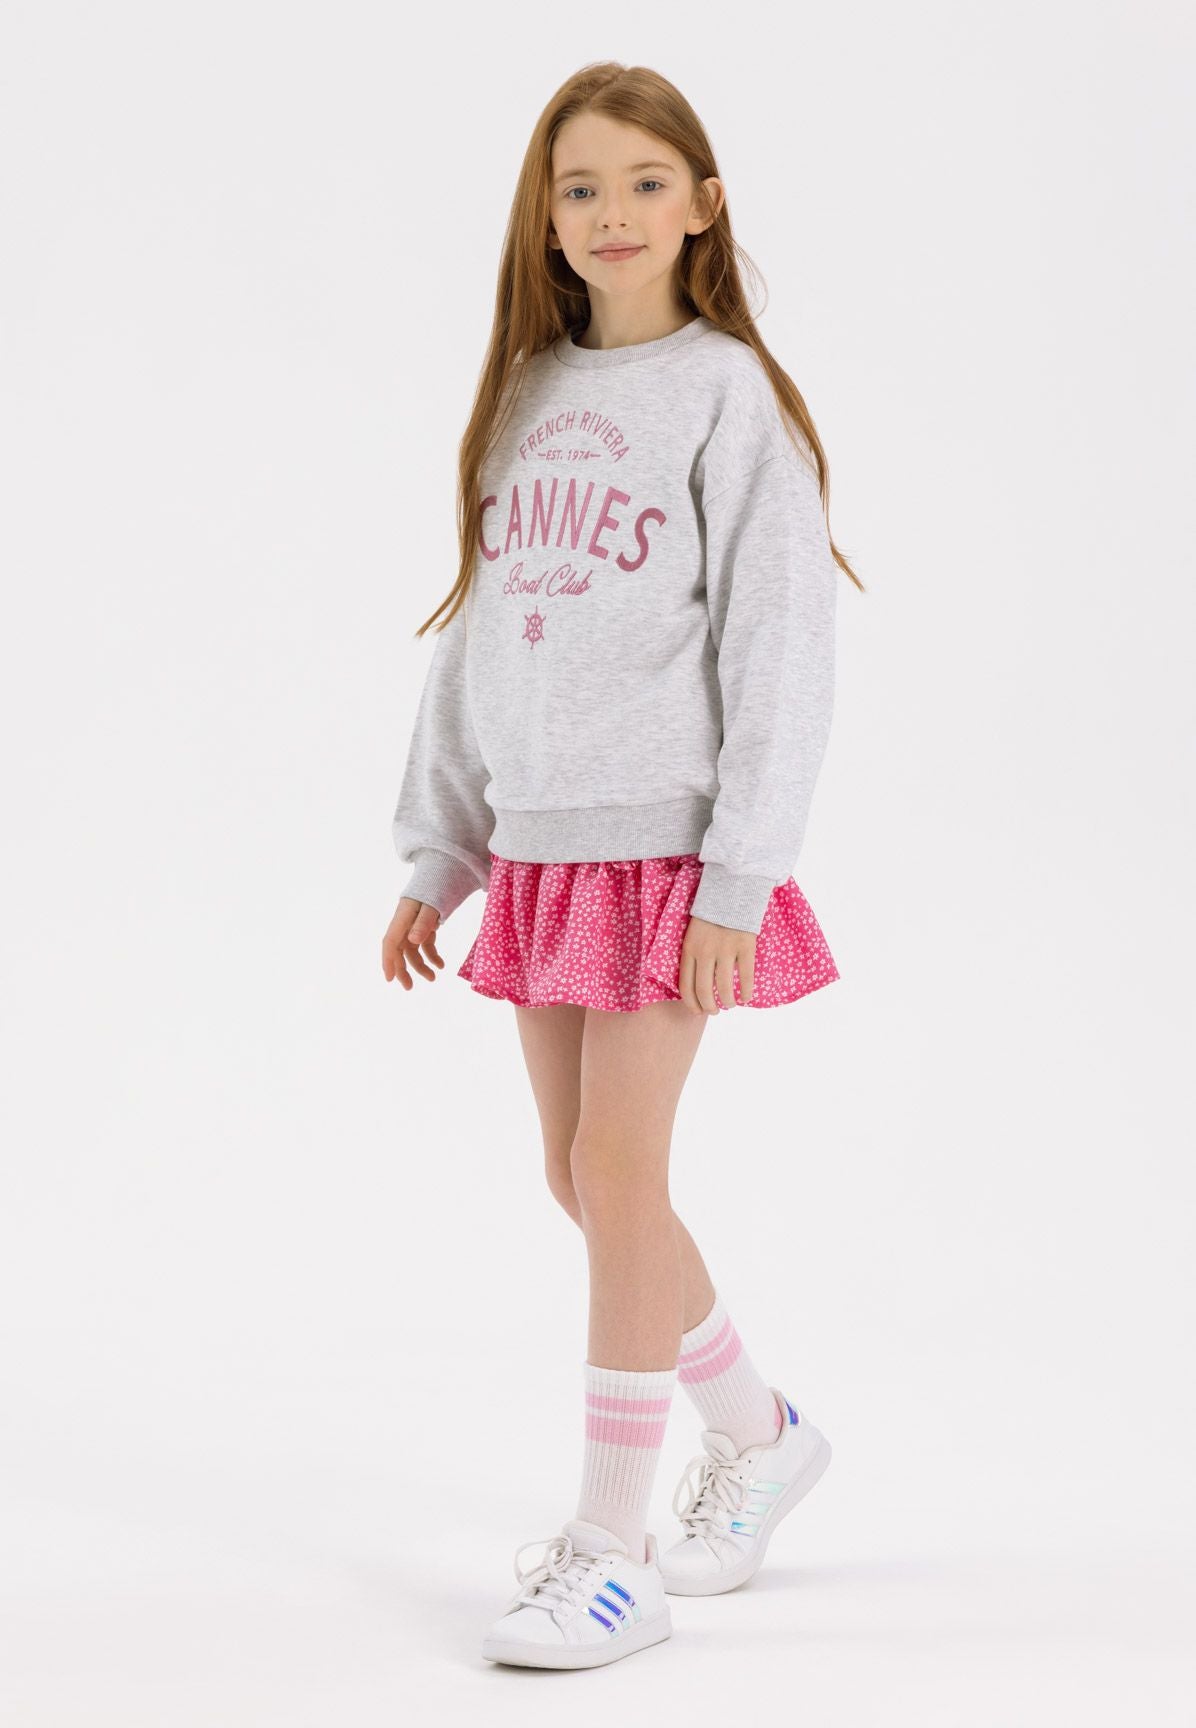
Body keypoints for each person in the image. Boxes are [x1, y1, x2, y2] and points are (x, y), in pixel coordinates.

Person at [381, 60, 863, 1671]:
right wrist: (439, 850)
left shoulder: (729, 395)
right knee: (581, 1178)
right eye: (579, 187)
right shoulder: (524, 394)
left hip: (667, 856)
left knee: (620, 1171)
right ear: (545, 218)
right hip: (540, 853)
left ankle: (610, 1554)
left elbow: (782, 652)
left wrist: (739, 878)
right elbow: (477, 642)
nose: (612, 213)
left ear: (704, 205)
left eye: (646, 182)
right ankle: (764, 1435)